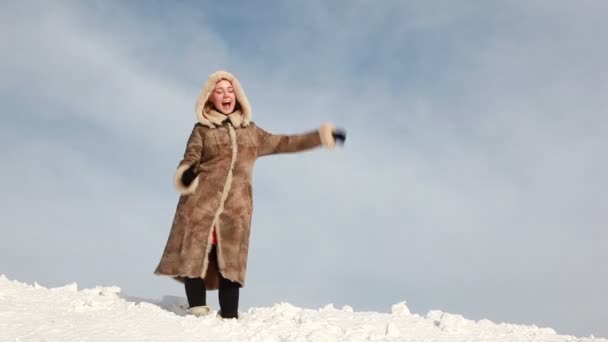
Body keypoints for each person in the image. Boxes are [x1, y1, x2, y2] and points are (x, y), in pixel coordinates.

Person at [154, 70, 346, 319]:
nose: (226, 94)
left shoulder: (252, 132)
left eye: (230, 90)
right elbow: (190, 157)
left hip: (236, 209)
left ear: (238, 95)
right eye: (220, 90)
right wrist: (187, 173)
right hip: (200, 204)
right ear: (210, 97)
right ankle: (197, 312)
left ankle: (230, 317)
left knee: (230, 263)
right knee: (195, 255)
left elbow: (285, 142)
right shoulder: (202, 130)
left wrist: (321, 137)